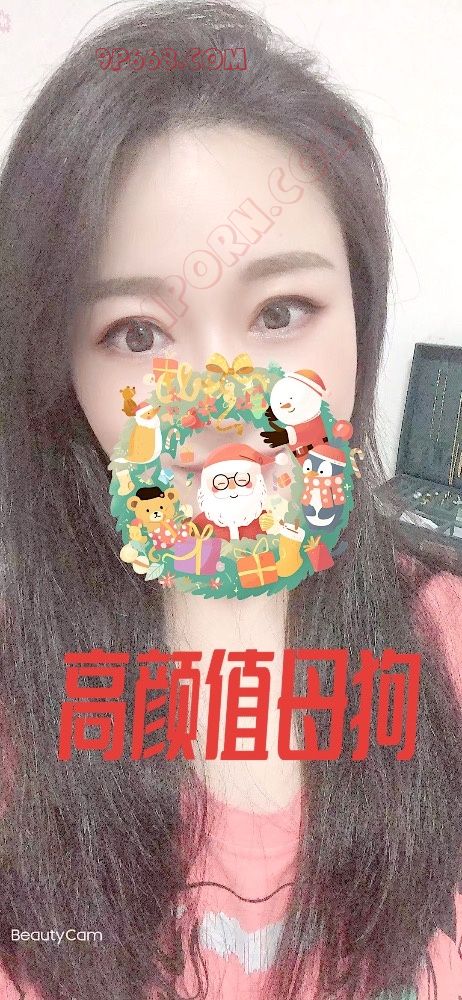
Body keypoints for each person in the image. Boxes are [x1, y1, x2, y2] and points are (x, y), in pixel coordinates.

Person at [0, 3, 460, 1000]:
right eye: (135, 333)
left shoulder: (447, 640)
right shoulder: (20, 710)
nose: (224, 409)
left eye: (281, 311)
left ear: (359, 316)